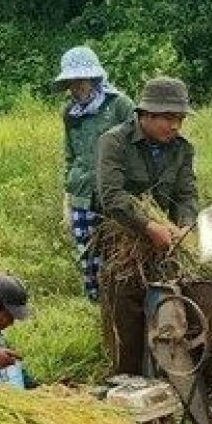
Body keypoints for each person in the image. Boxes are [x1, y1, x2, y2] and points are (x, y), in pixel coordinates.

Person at [95, 76, 198, 376]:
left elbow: (186, 194)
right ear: (146, 115)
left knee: (169, 309)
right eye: (168, 118)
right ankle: (126, 381)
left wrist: (185, 225)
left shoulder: (182, 149)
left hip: (166, 243)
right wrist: (148, 226)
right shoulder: (113, 142)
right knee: (125, 313)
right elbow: (112, 197)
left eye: (179, 119)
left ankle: (168, 377)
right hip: (122, 242)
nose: (175, 126)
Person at [54, 46, 135, 302]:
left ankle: (121, 309)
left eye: (80, 79)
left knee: (119, 257)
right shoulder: (70, 113)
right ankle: (101, 312)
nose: (76, 86)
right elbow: (71, 155)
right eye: (71, 81)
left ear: (94, 78)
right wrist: (67, 199)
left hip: (114, 194)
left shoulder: (119, 105)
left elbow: (136, 148)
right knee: (89, 259)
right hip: (81, 195)